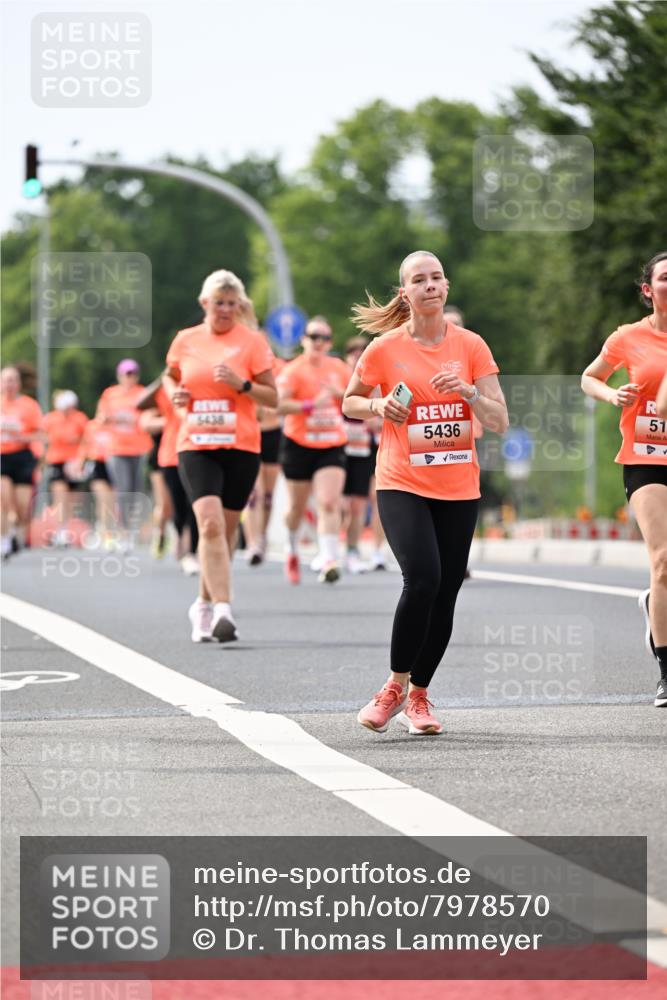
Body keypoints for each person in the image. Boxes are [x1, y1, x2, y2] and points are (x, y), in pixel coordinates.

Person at [343, 250, 508, 734]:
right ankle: (393, 687)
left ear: (446, 286)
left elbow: (499, 419)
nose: (430, 285)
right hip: (402, 481)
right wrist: (378, 406)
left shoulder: (471, 346)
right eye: (420, 279)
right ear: (405, 293)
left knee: (446, 590)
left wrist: (469, 392)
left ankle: (419, 696)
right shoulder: (384, 348)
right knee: (422, 578)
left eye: (437, 277)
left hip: (458, 486)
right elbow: (350, 402)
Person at [163, 269, 276, 642]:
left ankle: (202, 604)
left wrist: (241, 385)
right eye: (218, 303)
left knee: (225, 533)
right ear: (204, 303)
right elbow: (169, 376)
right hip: (196, 444)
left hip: (241, 446)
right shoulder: (186, 340)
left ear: (238, 305)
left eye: (231, 303)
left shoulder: (252, 342)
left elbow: (272, 396)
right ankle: (224, 610)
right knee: (209, 525)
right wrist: (176, 393)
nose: (225, 309)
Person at [581, 251, 667, 708]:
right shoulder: (628, 337)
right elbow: (588, 378)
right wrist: (612, 394)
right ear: (648, 290)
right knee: (664, 559)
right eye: (666, 278)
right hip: (647, 456)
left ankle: (655, 604)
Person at [277, 317, 350, 584]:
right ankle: (291, 548)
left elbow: (356, 399)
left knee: (329, 502)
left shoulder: (339, 368)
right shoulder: (293, 370)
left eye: (324, 338)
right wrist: (309, 405)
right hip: (299, 443)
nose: (319, 342)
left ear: (330, 343)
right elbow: (279, 405)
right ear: (303, 340)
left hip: (331, 443)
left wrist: (340, 394)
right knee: (296, 508)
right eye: (313, 337)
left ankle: (329, 559)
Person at [138, 377, 200, 575]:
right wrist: (164, 379)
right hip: (170, 455)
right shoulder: (166, 390)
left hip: (197, 451)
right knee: (173, 505)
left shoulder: (200, 385)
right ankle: (175, 536)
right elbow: (141, 405)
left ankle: (191, 551)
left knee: (195, 504)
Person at [96, 359, 152, 546]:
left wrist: (129, 419)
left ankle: (132, 527)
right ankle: (124, 531)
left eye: (132, 374)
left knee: (136, 489)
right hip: (117, 449)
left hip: (139, 448)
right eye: (126, 374)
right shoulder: (110, 394)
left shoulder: (143, 393)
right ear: (119, 376)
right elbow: (101, 418)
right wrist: (110, 419)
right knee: (123, 488)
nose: (129, 378)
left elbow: (147, 417)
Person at [243, 349, 287, 566]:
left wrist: (275, 406)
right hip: (250, 432)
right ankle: (252, 542)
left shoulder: (280, 368)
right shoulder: (243, 364)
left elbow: (284, 397)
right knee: (254, 493)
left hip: (272, 434)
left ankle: (262, 535)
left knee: (268, 495)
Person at [340, 336, 375, 574]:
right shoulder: (336, 376)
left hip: (363, 449)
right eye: (353, 353)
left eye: (361, 353)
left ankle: (352, 550)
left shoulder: (373, 381)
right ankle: (330, 551)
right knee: (335, 503)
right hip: (336, 449)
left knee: (357, 505)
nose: (357, 357)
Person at [0, 365, 43, 559]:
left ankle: (13, 530)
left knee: (21, 508)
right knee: (3, 501)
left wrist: (20, 435)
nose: (9, 384)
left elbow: (42, 435)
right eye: (5, 380)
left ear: (18, 383)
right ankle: (4, 541)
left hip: (22, 457)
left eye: (12, 380)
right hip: (2, 456)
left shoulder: (29, 406)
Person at [42, 390, 89, 546]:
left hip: (74, 464)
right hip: (56, 461)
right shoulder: (51, 419)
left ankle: (66, 529)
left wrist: (80, 461)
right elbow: (42, 438)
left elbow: (86, 441)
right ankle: (59, 530)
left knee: (72, 500)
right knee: (60, 496)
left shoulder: (80, 419)